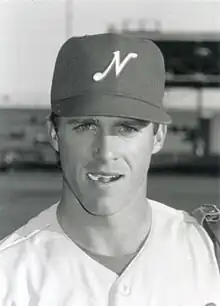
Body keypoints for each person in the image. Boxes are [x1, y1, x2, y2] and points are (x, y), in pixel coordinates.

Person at [0, 32, 220, 306]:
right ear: (55, 134)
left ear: (159, 136)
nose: (105, 152)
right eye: (85, 127)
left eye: (127, 128)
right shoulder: (8, 277)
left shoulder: (209, 251)